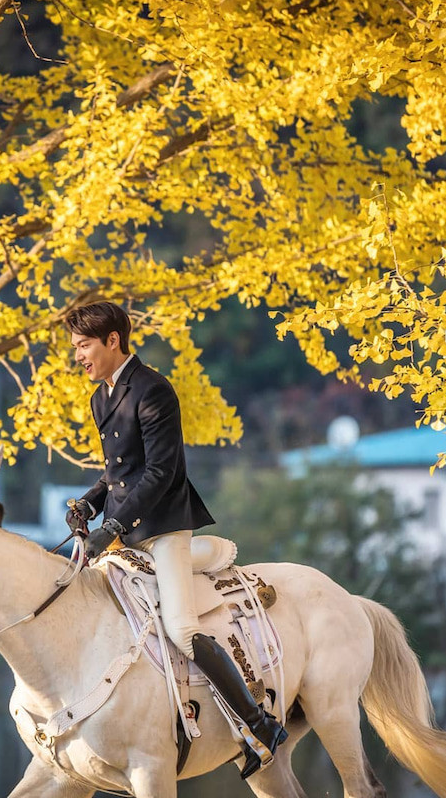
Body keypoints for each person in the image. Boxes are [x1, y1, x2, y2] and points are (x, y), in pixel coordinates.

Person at [64, 301, 287, 778]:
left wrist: (114, 528)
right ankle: (215, 555)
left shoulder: (152, 389)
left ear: (113, 341)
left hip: (162, 525)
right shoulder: (101, 397)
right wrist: (88, 503)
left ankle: (259, 724)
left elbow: (161, 472)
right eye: (76, 347)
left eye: (84, 346)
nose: (78, 356)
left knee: (182, 629)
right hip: (128, 529)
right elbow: (118, 474)